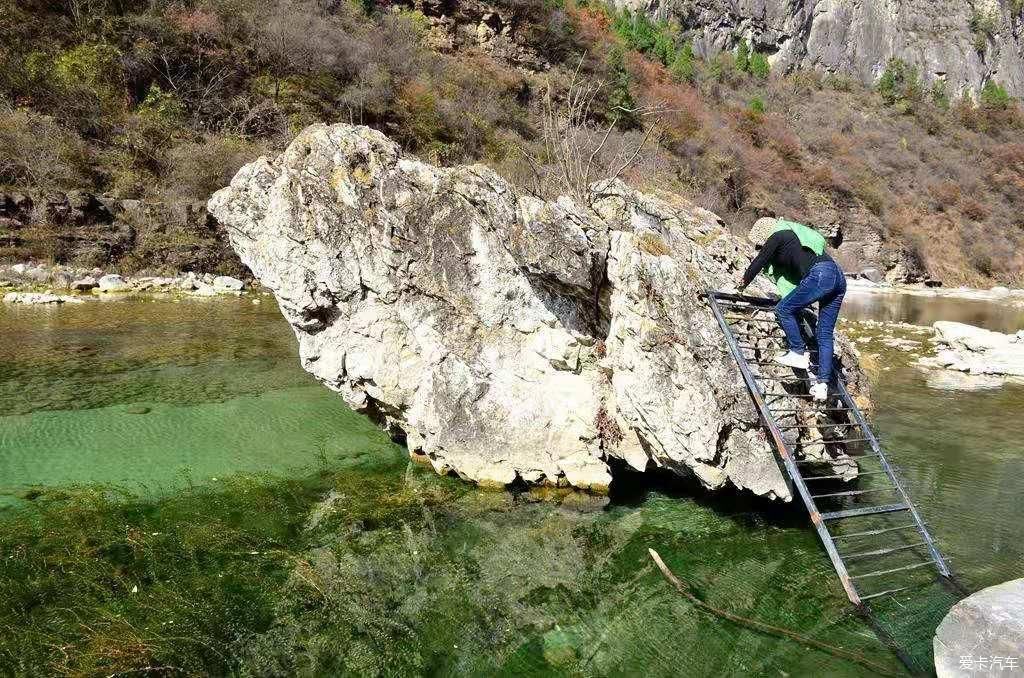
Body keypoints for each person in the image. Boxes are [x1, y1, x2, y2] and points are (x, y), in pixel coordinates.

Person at [736, 217, 847, 402]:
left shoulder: (778, 236)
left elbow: (760, 261)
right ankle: (822, 385)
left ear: (765, 235)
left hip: (821, 275)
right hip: (839, 277)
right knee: (824, 333)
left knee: (784, 310)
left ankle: (797, 352)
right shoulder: (794, 238)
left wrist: (741, 285)